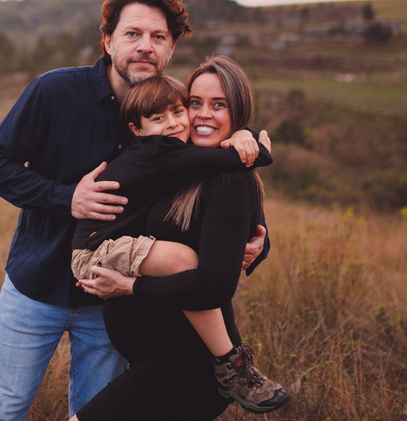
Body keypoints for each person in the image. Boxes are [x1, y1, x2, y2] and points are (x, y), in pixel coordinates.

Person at [0, 0, 269, 421]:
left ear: (171, 48)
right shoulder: (54, 92)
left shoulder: (174, 113)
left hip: (113, 304)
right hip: (34, 287)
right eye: (133, 34)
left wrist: (257, 240)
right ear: (108, 40)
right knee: (4, 409)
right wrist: (66, 197)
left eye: (158, 38)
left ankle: (231, 366)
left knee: (95, 412)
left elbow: (216, 184)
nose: (145, 47)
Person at [72, 56, 290, 421]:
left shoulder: (224, 176)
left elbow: (215, 279)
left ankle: (232, 366)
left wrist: (129, 288)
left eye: (218, 105)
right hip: (156, 359)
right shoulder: (178, 162)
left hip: (180, 367)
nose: (200, 115)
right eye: (195, 103)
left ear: (237, 111)